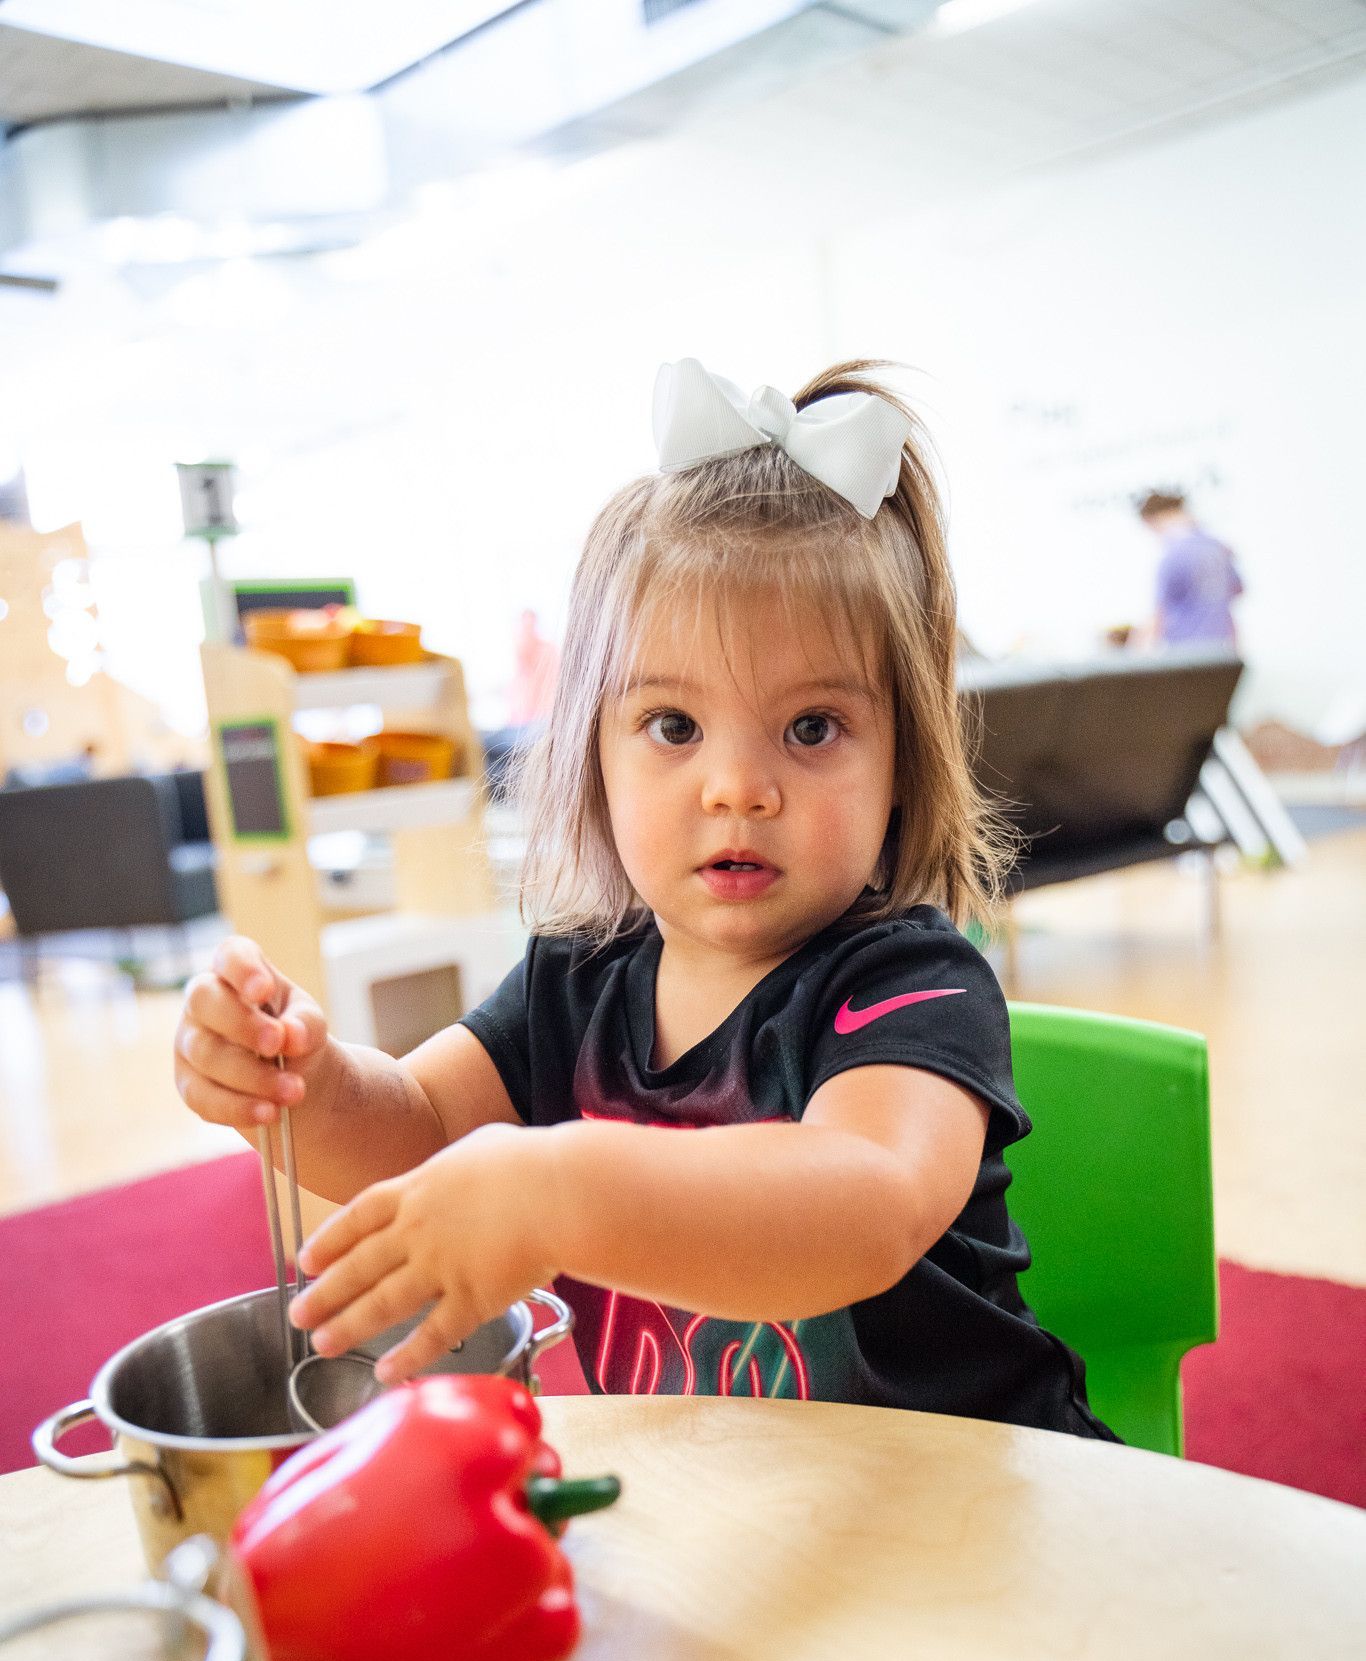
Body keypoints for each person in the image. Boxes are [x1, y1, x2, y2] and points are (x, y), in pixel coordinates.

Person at [174, 357, 1114, 1437]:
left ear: (903, 758)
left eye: (811, 728)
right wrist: (299, 1079)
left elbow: (865, 1203)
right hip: (737, 1521)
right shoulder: (579, 972)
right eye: (674, 726)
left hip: (971, 1501)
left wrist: (561, 1185)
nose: (736, 787)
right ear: (595, 752)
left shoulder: (907, 982)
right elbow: (422, 1130)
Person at [1137, 489, 1244, 650]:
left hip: (1186, 654)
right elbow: (1237, 590)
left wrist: (1135, 652)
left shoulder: (1173, 556)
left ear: (1156, 520)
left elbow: (1160, 614)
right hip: (1222, 650)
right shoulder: (1216, 548)